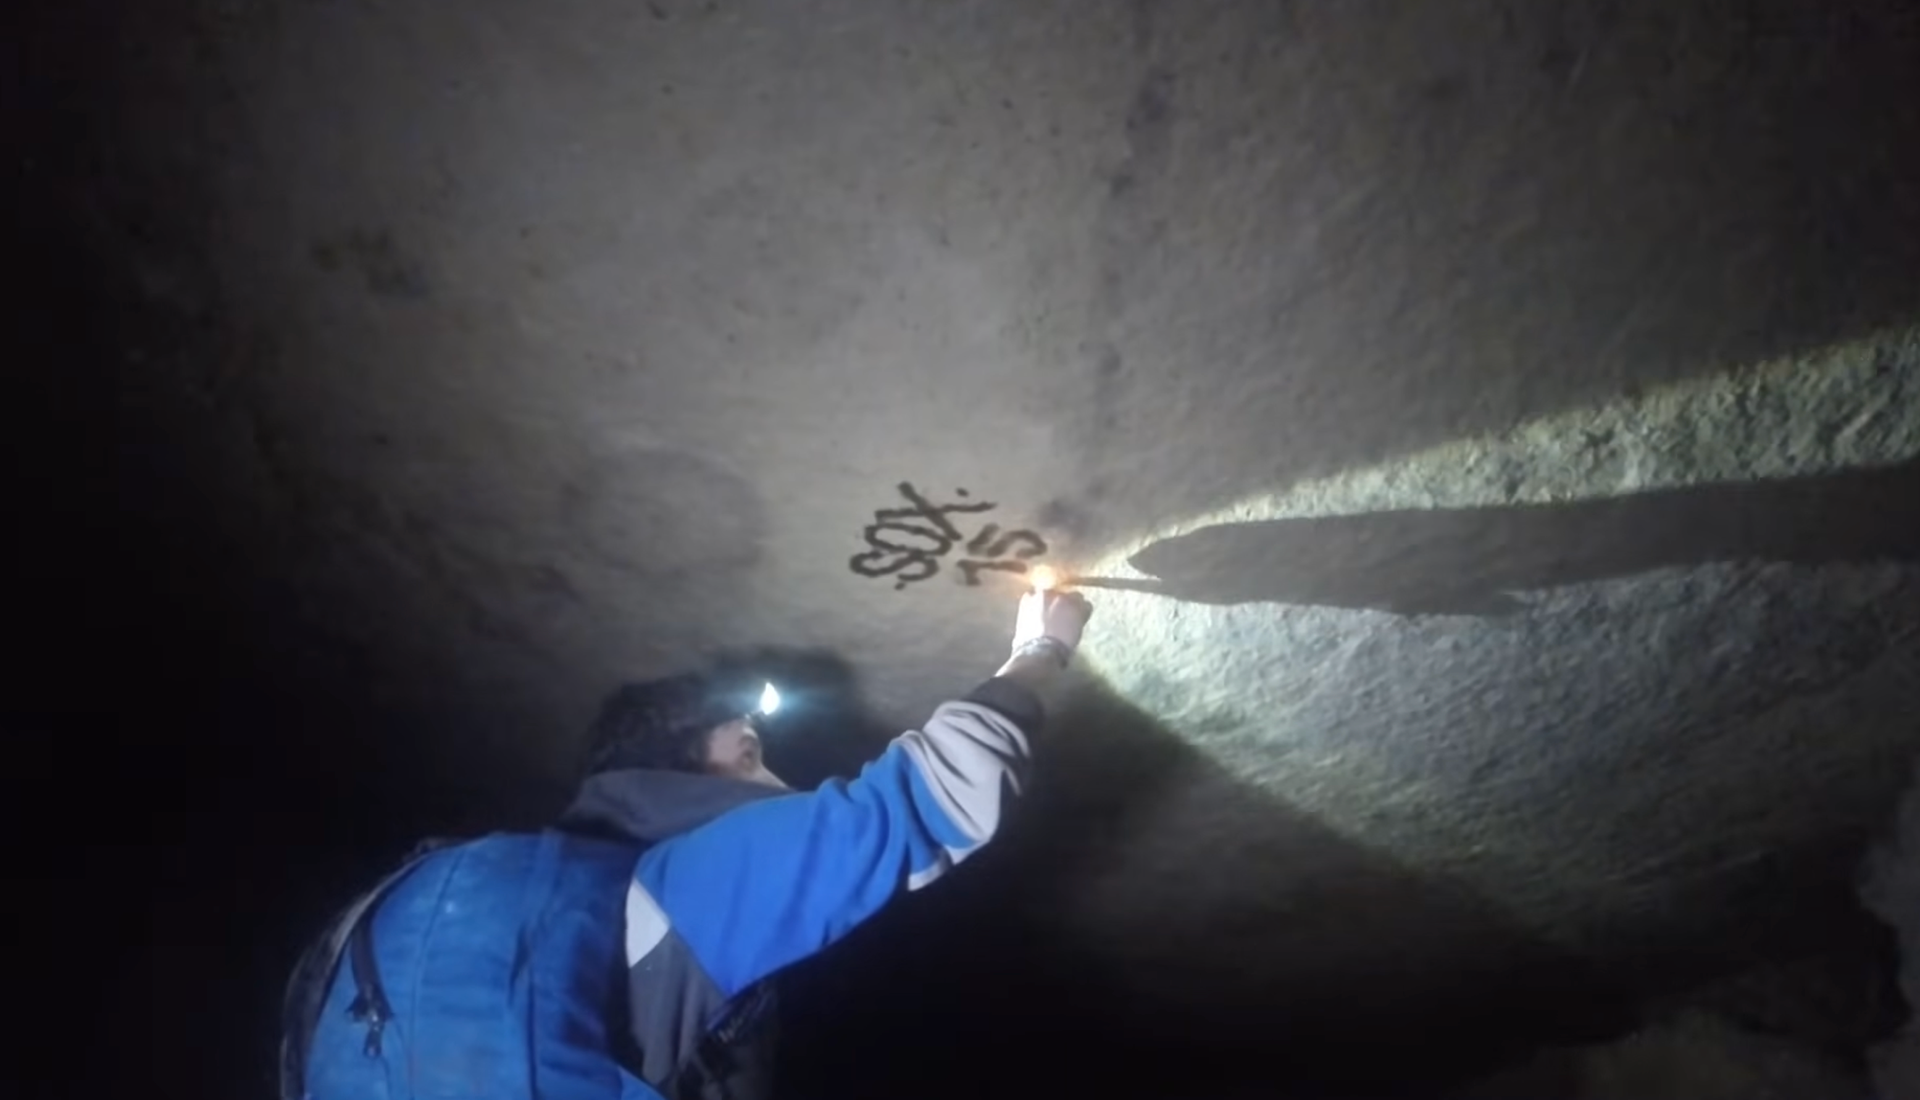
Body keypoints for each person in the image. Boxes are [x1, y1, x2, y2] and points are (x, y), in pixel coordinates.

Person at [280, 579, 1094, 1100]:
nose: (783, 787)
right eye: (752, 755)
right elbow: (922, 801)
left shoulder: (533, 906)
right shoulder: (670, 897)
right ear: (679, 770)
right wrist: (1042, 651)